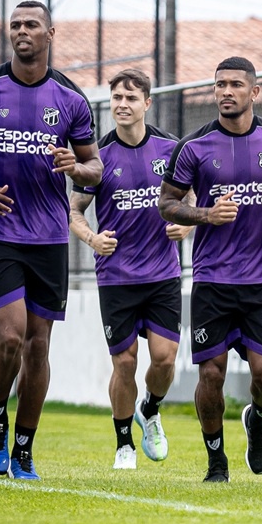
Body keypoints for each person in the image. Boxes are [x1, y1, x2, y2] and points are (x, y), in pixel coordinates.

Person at [0, 0, 102, 480]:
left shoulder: (70, 99)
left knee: (38, 347)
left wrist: (76, 167)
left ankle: (24, 447)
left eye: (31, 25)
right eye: (14, 25)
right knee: (9, 338)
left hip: (49, 237)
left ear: (51, 32)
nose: (21, 32)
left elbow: (95, 168)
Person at [159, 56, 262, 483]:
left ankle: (257, 417)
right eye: (220, 84)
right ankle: (216, 462)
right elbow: (167, 203)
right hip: (212, 279)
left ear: (254, 92)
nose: (226, 91)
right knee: (212, 372)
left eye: (235, 85)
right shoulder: (194, 147)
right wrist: (205, 215)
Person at [69, 69, 192, 470]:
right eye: (117, 98)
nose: (122, 104)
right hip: (117, 276)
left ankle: (151, 409)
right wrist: (92, 239)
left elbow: (191, 197)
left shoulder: (171, 150)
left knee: (165, 359)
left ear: (147, 103)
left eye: (130, 98)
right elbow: (73, 211)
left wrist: (187, 223)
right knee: (125, 363)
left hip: (162, 275)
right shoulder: (98, 157)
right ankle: (124, 444)